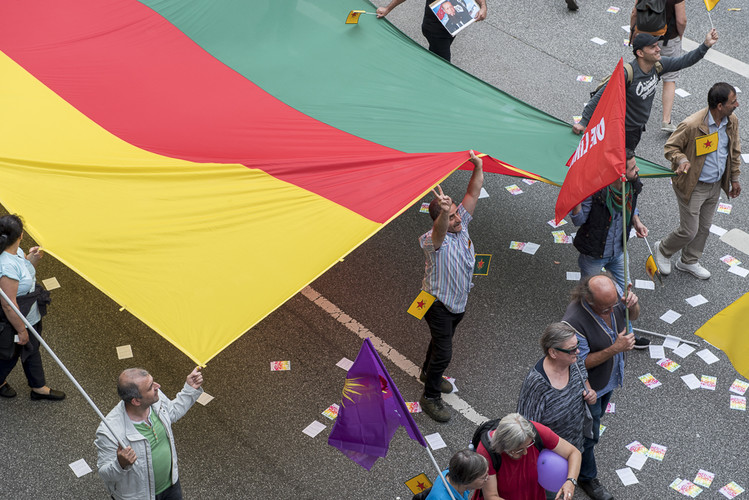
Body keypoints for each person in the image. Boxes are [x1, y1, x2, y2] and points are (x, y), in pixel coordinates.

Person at [416, 151, 483, 423]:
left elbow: (474, 192)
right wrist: (444, 214)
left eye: (456, 213)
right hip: (437, 305)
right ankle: (430, 396)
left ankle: (425, 371)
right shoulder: (431, 240)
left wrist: (478, 166)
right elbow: (440, 231)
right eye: (451, 215)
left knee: (439, 343)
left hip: (458, 304)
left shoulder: (462, 225)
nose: (457, 219)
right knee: (444, 351)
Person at [573, 29, 718, 150]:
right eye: (653, 47)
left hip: (637, 129)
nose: (658, 49)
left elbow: (685, 61)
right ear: (640, 53)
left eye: (657, 45)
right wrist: (584, 122)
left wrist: (705, 45)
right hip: (619, 131)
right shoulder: (627, 73)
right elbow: (600, 96)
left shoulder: (658, 65)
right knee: (622, 167)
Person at [562, 274, 640, 500]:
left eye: (614, 304)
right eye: (606, 308)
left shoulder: (611, 297)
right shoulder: (574, 322)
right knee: (589, 434)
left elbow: (630, 318)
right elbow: (580, 362)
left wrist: (632, 306)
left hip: (607, 380)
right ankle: (586, 477)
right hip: (590, 388)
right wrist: (615, 348)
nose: (612, 309)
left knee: (593, 425)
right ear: (588, 299)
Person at [654, 82, 741, 279]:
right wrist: (682, 159)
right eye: (733, 102)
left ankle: (688, 261)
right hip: (693, 185)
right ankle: (663, 249)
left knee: (704, 228)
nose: (737, 105)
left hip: (715, 184)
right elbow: (671, 147)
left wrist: (734, 178)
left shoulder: (731, 121)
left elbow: (734, 150)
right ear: (720, 106)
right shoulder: (692, 124)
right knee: (689, 230)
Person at [569, 149, 650, 349]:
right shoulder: (594, 190)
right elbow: (578, 220)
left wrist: (637, 222)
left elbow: (632, 206)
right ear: (620, 173)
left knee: (627, 295)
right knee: (590, 299)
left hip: (618, 251)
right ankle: (588, 337)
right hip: (594, 255)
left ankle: (628, 334)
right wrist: (576, 200)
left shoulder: (630, 186)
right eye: (633, 167)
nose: (637, 169)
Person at [95, 367, 204, 500]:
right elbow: (105, 474)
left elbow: (173, 412)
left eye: (153, 381)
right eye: (150, 387)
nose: (158, 386)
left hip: (171, 486)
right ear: (136, 401)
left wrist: (190, 389)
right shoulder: (109, 431)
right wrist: (120, 464)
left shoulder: (156, 399)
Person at [0, 214, 64, 401]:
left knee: (32, 347)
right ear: (20, 235)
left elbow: (24, 272)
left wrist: (32, 259)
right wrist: (21, 329)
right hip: (16, 319)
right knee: (10, 354)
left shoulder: (15, 251)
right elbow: (8, 304)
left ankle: (38, 386)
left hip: (29, 314)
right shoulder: (5, 266)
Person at [517, 323, 597, 456]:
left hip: (576, 444)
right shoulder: (536, 384)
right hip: (551, 456)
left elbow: (586, 385)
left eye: (577, 345)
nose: (577, 351)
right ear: (553, 352)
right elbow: (527, 429)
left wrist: (591, 395)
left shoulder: (575, 362)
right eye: (572, 349)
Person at [475, 413, 581, 500]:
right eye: (520, 449)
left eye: (529, 445)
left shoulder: (535, 431)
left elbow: (574, 453)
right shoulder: (486, 452)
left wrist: (571, 481)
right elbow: (491, 496)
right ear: (505, 447)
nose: (526, 452)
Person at [376, 0, 487, 62]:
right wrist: (387, 9)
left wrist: (483, 7)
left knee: (435, 58)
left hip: (451, 29)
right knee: (444, 67)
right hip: (435, 31)